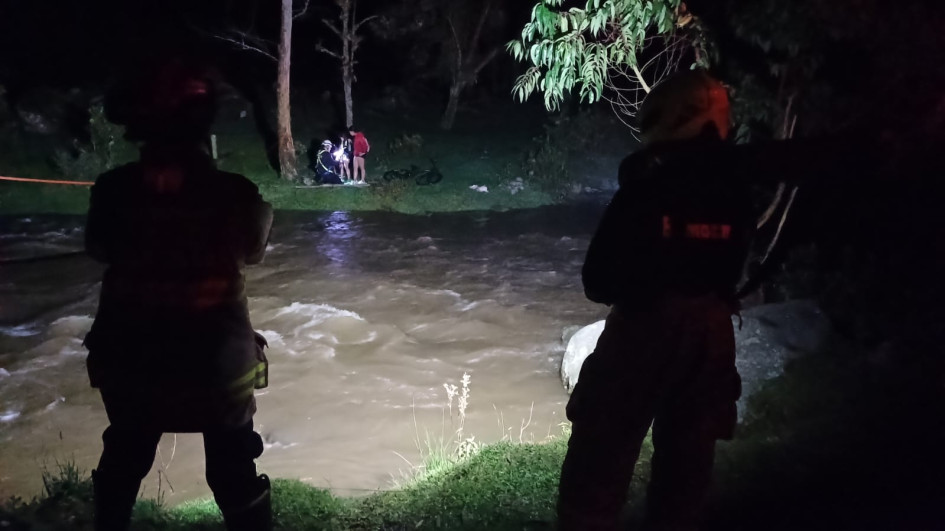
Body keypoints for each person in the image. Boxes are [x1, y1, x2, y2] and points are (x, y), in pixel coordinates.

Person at [556, 69, 755, 531]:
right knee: (686, 466)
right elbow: (736, 261)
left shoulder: (646, 185)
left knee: (598, 462)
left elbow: (597, 279)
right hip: (711, 333)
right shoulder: (737, 186)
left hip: (643, 331)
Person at [83, 57, 274, 531]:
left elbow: (98, 248)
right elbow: (252, 249)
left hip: (132, 363)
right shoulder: (237, 194)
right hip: (217, 367)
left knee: (125, 454)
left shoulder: (112, 191)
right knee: (232, 468)